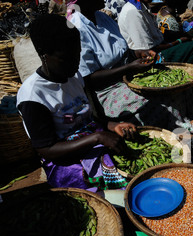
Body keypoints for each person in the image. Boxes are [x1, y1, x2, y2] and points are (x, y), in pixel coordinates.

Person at [16, 13, 137, 193]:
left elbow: (87, 118)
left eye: (78, 54)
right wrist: (97, 137)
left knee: (135, 159)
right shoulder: (33, 96)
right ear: (44, 55)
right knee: (121, 190)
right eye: (66, 58)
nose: (75, 63)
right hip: (65, 161)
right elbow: (46, 149)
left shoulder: (73, 75)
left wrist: (112, 125)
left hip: (91, 141)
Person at [68, 0, 193, 131]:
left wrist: (137, 53)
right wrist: (129, 67)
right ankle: (178, 133)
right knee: (164, 94)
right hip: (109, 91)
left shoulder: (101, 17)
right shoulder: (76, 27)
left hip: (130, 76)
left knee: (179, 82)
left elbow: (122, 49)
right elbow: (88, 78)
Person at [118, 0, 193, 70]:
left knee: (190, 41)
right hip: (154, 59)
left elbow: (156, 35)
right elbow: (149, 50)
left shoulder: (142, 6)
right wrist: (178, 41)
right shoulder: (133, 12)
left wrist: (181, 37)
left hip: (159, 46)